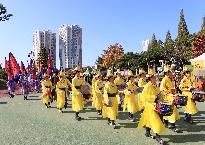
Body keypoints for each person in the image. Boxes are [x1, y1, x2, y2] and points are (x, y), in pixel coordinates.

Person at [138, 67, 165, 144]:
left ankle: (147, 132)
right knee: (156, 120)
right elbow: (144, 97)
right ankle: (157, 136)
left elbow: (159, 93)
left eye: (155, 77)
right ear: (150, 78)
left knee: (149, 120)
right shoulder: (147, 86)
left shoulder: (155, 85)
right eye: (153, 77)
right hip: (150, 105)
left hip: (155, 104)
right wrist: (155, 97)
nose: (155, 78)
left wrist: (162, 97)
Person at [160, 65, 180, 132]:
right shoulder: (164, 79)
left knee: (168, 110)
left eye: (170, 72)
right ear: (166, 73)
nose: (171, 73)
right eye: (169, 72)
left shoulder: (170, 79)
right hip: (167, 97)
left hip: (171, 96)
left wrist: (173, 91)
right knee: (171, 110)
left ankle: (166, 123)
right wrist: (169, 91)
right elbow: (161, 88)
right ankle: (172, 126)